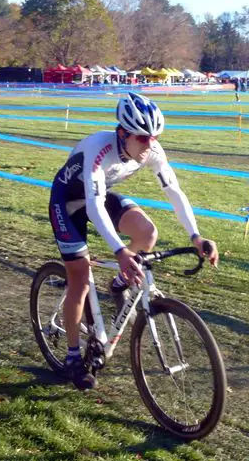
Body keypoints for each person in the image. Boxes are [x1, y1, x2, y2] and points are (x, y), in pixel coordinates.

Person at [48, 92, 219, 390]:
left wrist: (196, 235)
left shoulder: (150, 149)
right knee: (79, 279)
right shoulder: (99, 150)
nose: (149, 144)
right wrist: (120, 250)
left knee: (147, 233)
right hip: (68, 203)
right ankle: (74, 357)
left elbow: (174, 192)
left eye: (154, 137)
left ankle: (118, 283)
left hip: (99, 195)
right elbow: (93, 206)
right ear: (122, 133)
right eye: (142, 138)